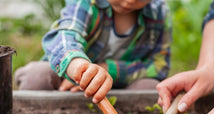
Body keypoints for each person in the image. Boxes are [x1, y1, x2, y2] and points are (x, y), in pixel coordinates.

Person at [14, 0, 171, 103]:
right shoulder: (87, 3)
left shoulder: (158, 12)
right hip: (69, 78)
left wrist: (109, 70)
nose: (130, 1)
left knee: (151, 87)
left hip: (119, 88)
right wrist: (76, 66)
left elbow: (158, 66)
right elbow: (66, 33)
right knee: (36, 76)